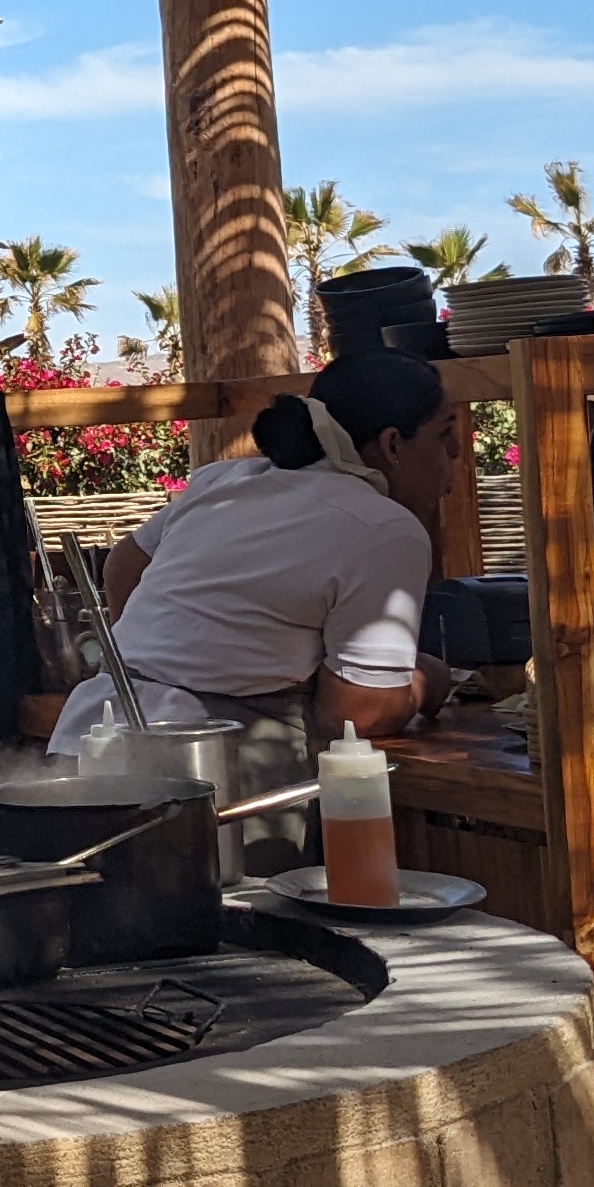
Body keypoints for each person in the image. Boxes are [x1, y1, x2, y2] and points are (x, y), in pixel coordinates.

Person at [59, 349, 463, 872]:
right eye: (444, 432)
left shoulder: (227, 480)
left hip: (94, 733)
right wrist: (426, 680)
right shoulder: (384, 527)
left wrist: (165, 651)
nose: (456, 450)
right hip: (211, 780)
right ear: (391, 446)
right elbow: (358, 712)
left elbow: (124, 566)